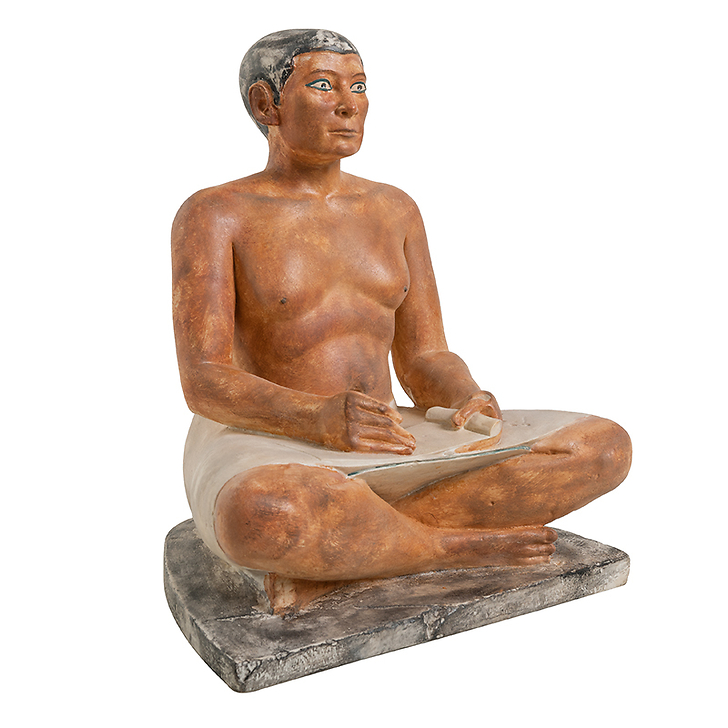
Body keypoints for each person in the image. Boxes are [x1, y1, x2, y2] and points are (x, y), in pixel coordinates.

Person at [172, 30, 631, 589]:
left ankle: (364, 540)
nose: (349, 104)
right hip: (273, 443)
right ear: (266, 104)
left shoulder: (393, 208)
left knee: (602, 447)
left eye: (360, 86)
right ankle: (443, 546)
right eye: (324, 86)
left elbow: (424, 355)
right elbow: (205, 380)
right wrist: (314, 417)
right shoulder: (216, 213)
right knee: (262, 513)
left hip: (392, 436)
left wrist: (463, 394)